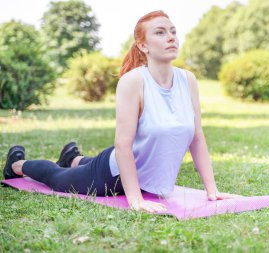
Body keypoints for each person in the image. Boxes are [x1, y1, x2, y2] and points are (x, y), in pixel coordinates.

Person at [3, 10, 239, 213]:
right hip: (113, 174)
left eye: (173, 31)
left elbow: (197, 137)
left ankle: (73, 158)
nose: (170, 37)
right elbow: (123, 145)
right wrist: (135, 200)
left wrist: (212, 191)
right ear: (143, 45)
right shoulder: (133, 81)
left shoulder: (188, 80)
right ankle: (17, 165)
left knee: (81, 164)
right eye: (160, 32)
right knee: (57, 178)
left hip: (137, 163)